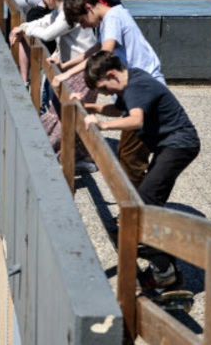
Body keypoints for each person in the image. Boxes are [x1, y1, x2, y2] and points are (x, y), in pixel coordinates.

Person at [77, 50, 200, 289]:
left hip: (179, 145)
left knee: (142, 206)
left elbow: (135, 120)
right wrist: (90, 107)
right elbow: (120, 110)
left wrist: (102, 126)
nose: (105, 93)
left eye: (103, 88)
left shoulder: (136, 85)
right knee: (146, 203)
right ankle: (166, 268)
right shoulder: (129, 81)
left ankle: (166, 271)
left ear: (111, 74)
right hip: (168, 146)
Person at [53, 0, 166, 187]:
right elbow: (95, 50)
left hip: (144, 90)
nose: (84, 26)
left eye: (81, 20)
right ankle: (138, 209)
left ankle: (137, 211)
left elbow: (103, 54)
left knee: (130, 157)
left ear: (88, 8)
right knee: (130, 156)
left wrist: (67, 75)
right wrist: (66, 66)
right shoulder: (114, 16)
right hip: (139, 89)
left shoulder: (113, 17)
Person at [9, 0, 98, 172]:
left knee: (64, 115)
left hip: (85, 70)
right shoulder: (62, 10)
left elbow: (48, 34)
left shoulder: (67, 12)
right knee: (68, 113)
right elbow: (44, 22)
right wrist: (23, 28)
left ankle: (63, 159)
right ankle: (75, 158)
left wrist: (24, 29)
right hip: (75, 68)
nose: (42, 1)